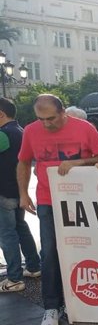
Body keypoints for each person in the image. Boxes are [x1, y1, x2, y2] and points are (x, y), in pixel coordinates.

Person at [17, 94, 98, 325]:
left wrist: (76, 163)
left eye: (51, 119)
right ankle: (51, 306)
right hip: (48, 200)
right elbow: (24, 162)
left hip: (82, 200)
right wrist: (23, 194)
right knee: (49, 253)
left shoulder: (84, 128)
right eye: (41, 119)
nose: (46, 124)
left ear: (63, 111)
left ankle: (80, 301)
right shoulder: (30, 131)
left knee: (83, 249)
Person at [0, 97, 41, 293]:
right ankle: (33, 266)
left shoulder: (3, 134)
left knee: (7, 235)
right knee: (21, 228)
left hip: (3, 192)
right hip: (18, 191)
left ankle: (14, 278)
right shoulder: (21, 131)